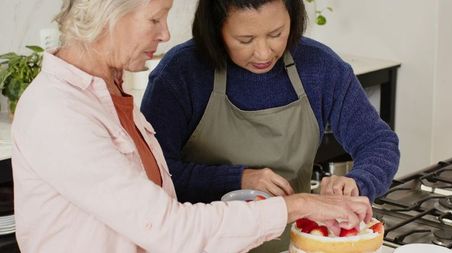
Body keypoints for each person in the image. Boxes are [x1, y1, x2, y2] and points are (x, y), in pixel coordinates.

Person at [11, 0, 373, 252]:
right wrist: (296, 206)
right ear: (110, 14)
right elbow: (168, 228)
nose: (166, 33)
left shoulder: (109, 95)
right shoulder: (57, 115)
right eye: (155, 19)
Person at [141, 0, 399, 250]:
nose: (264, 53)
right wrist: (238, 179)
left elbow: (379, 142)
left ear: (293, 18)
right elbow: (153, 177)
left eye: (276, 34)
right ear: (215, 28)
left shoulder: (319, 67)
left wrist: (357, 182)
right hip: (203, 245)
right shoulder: (181, 73)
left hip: (291, 244)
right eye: (245, 40)